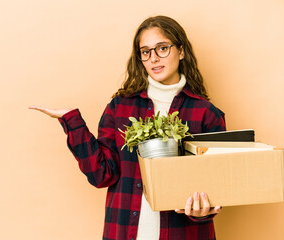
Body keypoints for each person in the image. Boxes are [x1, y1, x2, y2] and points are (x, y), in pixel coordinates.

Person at [29, 15, 225, 240]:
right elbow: (101, 175)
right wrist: (73, 123)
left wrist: (201, 212)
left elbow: (213, 186)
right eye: (145, 51)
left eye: (162, 48)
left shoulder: (207, 114)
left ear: (181, 51)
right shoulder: (120, 107)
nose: (153, 58)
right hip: (124, 233)